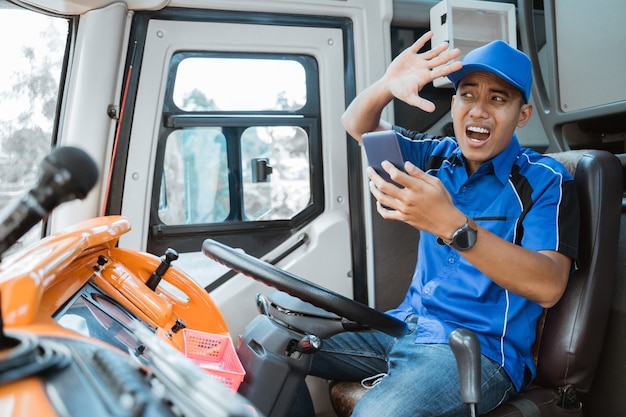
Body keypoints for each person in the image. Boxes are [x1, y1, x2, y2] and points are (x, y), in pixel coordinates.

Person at [292, 32, 580, 417]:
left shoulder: (545, 179)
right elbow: (357, 124)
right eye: (467, 94)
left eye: (497, 98)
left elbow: (548, 286)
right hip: (404, 327)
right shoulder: (435, 156)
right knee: (275, 344)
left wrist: (452, 225)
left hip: (479, 350)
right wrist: (384, 87)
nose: (478, 110)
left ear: (522, 115)